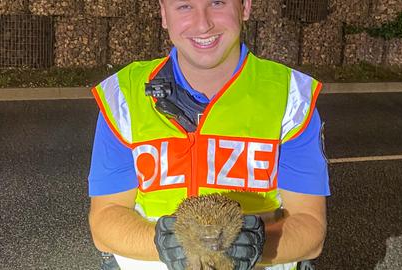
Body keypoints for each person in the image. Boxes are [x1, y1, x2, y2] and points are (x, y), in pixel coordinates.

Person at [88, 0, 330, 269]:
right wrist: (167, 245)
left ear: (245, 7)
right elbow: (104, 222)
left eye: (217, 3)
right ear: (164, 13)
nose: (203, 24)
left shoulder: (290, 97)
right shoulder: (125, 96)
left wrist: (252, 248)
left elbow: (311, 229)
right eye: (184, 6)